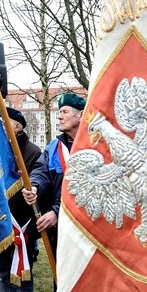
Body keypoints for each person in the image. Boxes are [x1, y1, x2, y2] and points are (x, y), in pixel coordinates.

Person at [0, 107, 42, 292]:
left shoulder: (31, 152)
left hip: (21, 223)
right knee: (2, 273)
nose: (1, 125)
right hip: (1, 221)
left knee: (21, 274)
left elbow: (31, 189)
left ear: (18, 127)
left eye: (6, 122)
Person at [22, 92, 87, 252]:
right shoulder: (54, 146)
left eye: (64, 112)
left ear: (80, 115)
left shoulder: (93, 146)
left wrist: (58, 212)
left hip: (86, 229)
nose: (59, 116)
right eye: (59, 112)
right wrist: (35, 186)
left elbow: (88, 190)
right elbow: (41, 170)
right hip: (59, 231)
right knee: (60, 275)